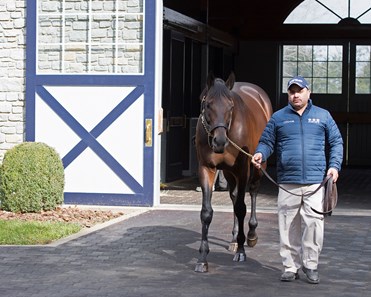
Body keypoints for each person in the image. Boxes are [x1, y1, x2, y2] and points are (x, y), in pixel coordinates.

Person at [251, 75, 343, 284]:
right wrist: (260, 154)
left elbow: (336, 142)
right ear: (288, 95)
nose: (295, 95)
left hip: (315, 182)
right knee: (287, 225)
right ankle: (290, 267)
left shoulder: (323, 116)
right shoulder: (278, 118)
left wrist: (334, 166)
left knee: (314, 225)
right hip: (288, 183)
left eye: (299, 91)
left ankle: (310, 265)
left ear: (308, 92)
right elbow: (266, 142)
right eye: (292, 91)